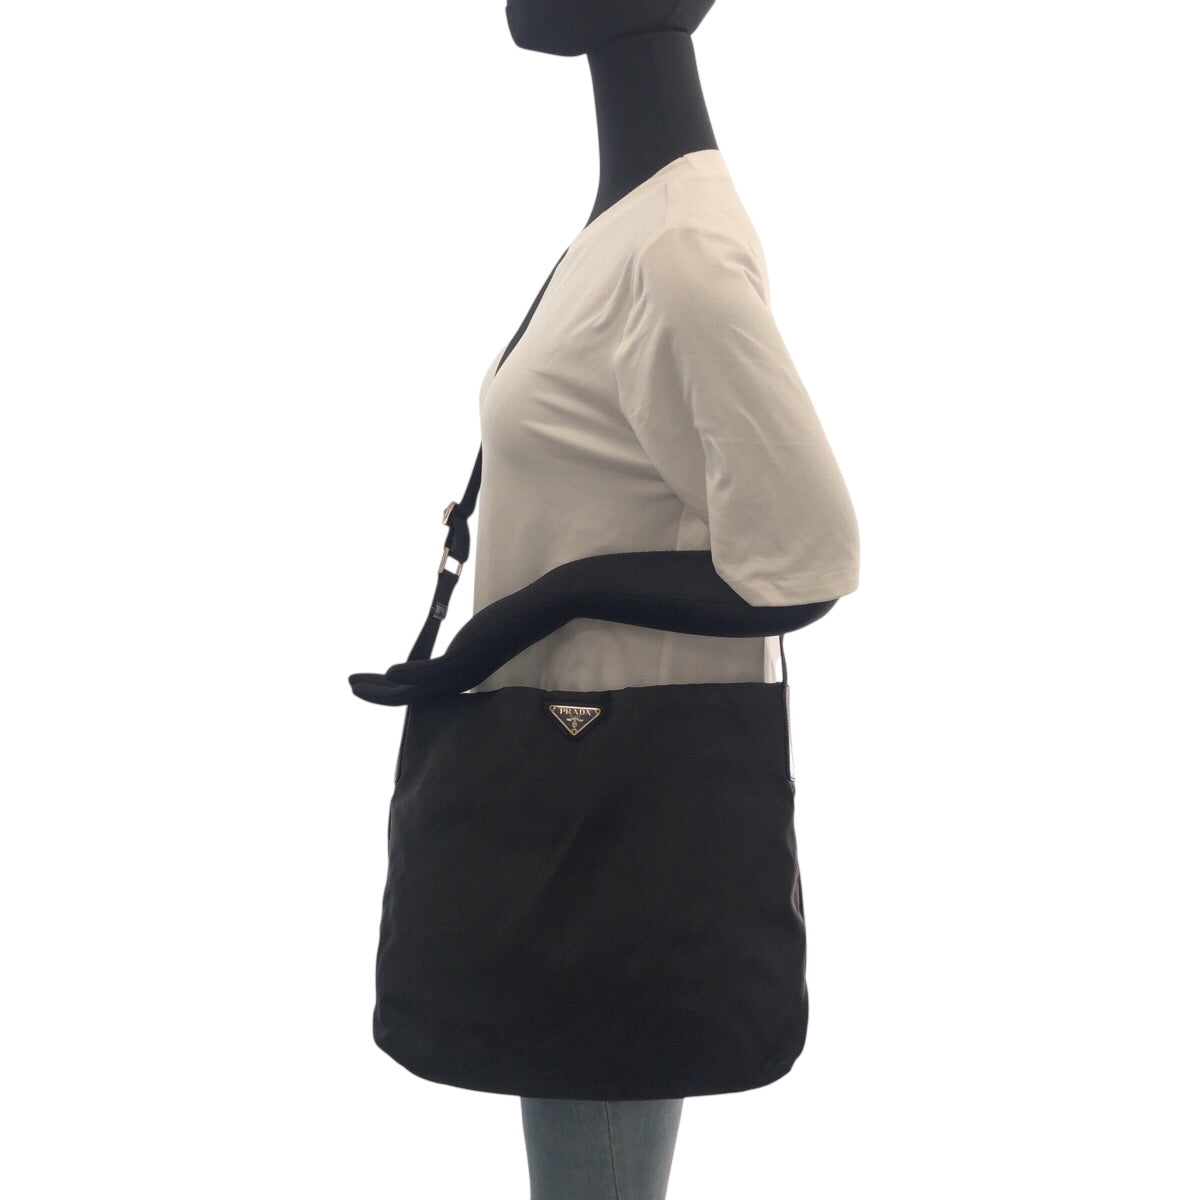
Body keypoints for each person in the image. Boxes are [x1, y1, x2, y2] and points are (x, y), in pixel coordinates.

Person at [366, 4, 861, 1196]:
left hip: (611, 815)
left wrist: (526, 614)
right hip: (568, 802)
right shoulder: (629, 224)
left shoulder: (678, 249)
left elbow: (809, 555)